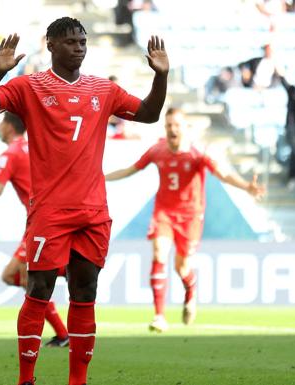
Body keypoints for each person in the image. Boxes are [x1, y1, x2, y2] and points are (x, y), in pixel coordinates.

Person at [0, 17, 169, 385]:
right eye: (71, 42)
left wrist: (161, 77)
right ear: (51, 45)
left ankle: (78, 380)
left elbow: (149, 114)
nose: (79, 47)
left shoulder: (103, 89)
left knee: (85, 292)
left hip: (93, 211)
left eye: (82, 41)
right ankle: (26, 378)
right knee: (39, 289)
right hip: (50, 211)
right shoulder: (30, 86)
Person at [105, 107, 265, 332]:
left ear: (185, 128)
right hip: (164, 213)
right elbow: (130, 170)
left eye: (176, 125)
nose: (172, 129)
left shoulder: (198, 153)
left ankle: (191, 290)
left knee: (182, 268)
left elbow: (223, 175)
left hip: (190, 217)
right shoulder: (157, 150)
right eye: (169, 125)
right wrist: (101, 177)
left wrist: (246, 186)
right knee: (159, 253)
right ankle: (159, 315)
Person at [0, 112, 70, 347]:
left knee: (29, 277)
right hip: (45, 218)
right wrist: (1, 160)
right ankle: (62, 331)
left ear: (9, 126)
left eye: (1, 124)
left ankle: (59, 332)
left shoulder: (10, 153)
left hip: (40, 220)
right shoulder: (31, 147)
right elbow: (22, 165)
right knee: (12, 276)